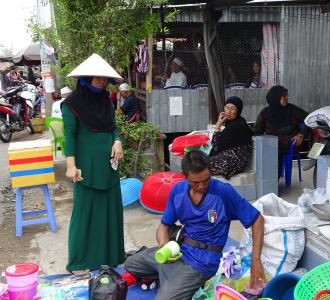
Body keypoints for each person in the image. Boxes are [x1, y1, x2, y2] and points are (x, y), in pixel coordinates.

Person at [124, 150, 265, 300]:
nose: (202, 186)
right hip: (178, 252)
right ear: (184, 176)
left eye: (206, 180)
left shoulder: (223, 192)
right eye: (195, 182)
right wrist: (164, 247)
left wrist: (256, 261)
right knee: (131, 264)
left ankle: (175, 281)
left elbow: (257, 220)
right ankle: (171, 278)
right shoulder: (178, 191)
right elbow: (164, 226)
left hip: (202, 262)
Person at [61, 53, 125, 274]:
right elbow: (69, 136)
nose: (101, 81)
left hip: (109, 166)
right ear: (86, 78)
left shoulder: (105, 100)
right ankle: (78, 262)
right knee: (84, 214)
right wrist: (70, 165)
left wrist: (117, 141)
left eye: (104, 78)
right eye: (97, 78)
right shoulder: (70, 104)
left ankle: (111, 256)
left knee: (110, 211)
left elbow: (113, 126)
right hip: (86, 169)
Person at [254, 85, 309, 176]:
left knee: (275, 151)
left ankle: (274, 180)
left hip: (290, 144)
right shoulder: (265, 112)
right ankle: (268, 179)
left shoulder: (292, 110)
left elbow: (309, 119)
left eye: (287, 96)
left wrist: (301, 134)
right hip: (271, 144)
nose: (287, 98)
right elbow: (257, 130)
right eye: (284, 96)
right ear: (275, 98)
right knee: (266, 151)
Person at [209, 96, 253, 179]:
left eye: (232, 109)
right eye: (227, 108)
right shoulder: (238, 122)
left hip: (234, 162)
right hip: (235, 160)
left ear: (238, 110)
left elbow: (216, 145)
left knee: (199, 166)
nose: (228, 112)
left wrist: (218, 124)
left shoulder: (236, 126)